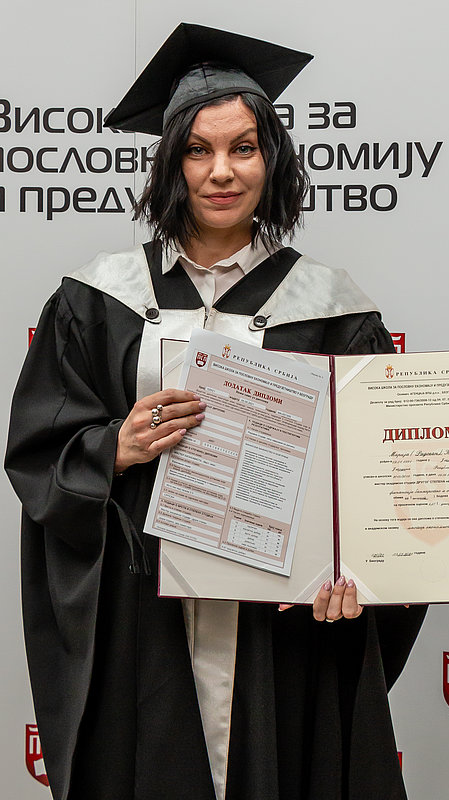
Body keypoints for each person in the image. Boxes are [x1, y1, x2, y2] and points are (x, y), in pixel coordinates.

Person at [5, 23, 426, 800]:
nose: (221, 171)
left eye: (243, 147)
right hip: (143, 619)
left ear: (273, 160)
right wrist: (115, 447)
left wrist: (357, 570)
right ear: (170, 163)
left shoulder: (332, 310)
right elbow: (41, 454)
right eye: (197, 150)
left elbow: (378, 485)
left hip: (279, 625)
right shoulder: (97, 300)